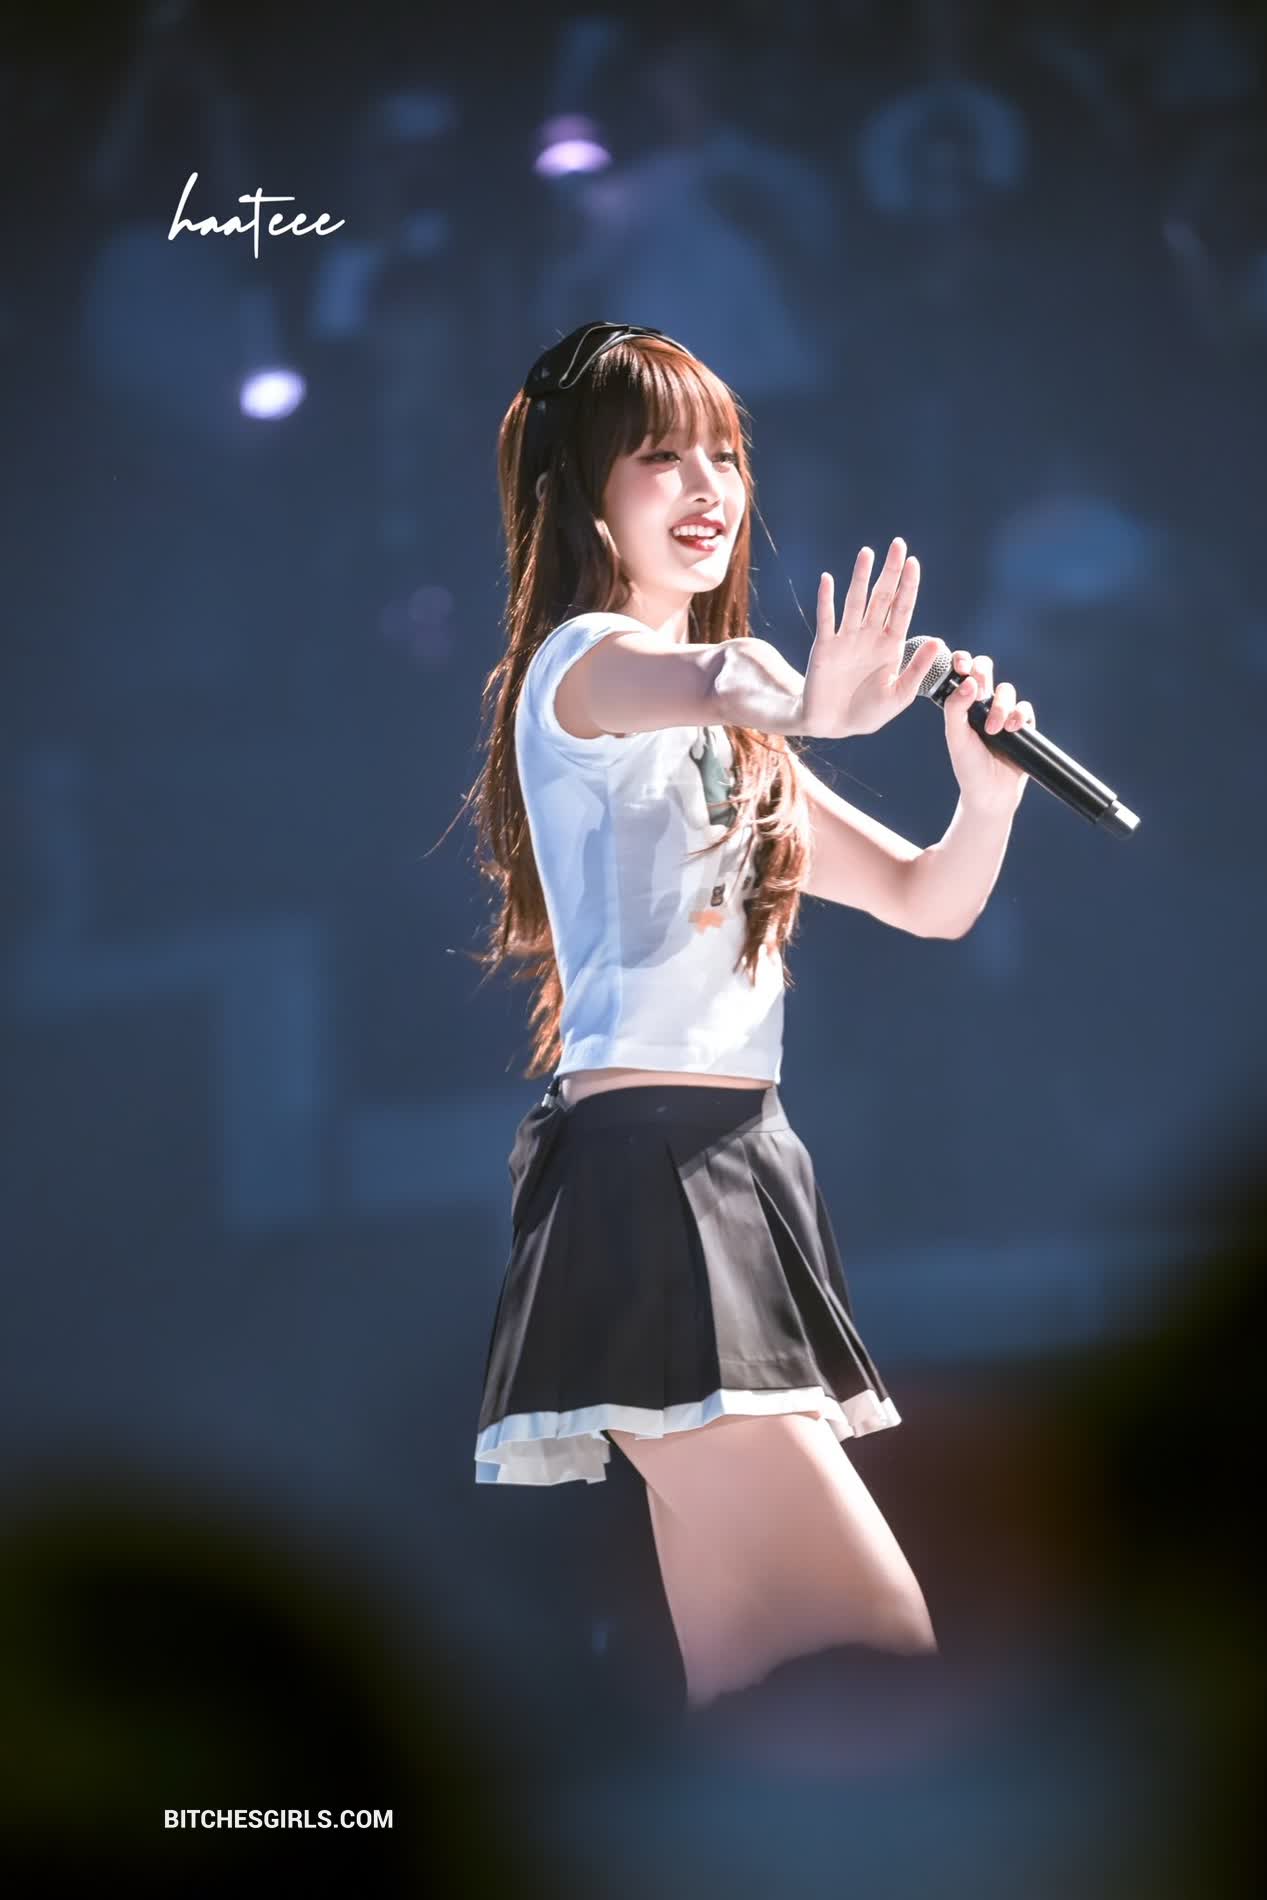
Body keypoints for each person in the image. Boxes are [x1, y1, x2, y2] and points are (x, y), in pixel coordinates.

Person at [467, 320, 1037, 1718]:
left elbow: (926, 901)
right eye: (661, 458)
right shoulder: (584, 666)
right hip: (648, 1177)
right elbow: (719, 676)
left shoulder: (742, 742)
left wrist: (987, 798)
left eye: (722, 454)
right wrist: (816, 702)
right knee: (882, 1648)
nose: (707, 485)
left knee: (759, 1688)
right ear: (582, 493)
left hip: (738, 1170)